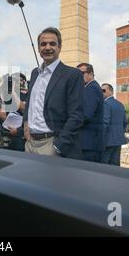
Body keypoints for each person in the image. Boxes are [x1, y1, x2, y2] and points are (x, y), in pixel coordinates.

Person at [23, 27, 84, 159]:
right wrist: (26, 124)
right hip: (30, 144)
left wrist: (58, 146)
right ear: (38, 49)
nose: (47, 47)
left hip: (51, 145)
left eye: (52, 43)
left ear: (60, 47)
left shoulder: (72, 75)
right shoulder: (35, 73)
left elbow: (77, 115)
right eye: (43, 44)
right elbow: (30, 103)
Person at [76, 63, 104, 162]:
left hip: (88, 143)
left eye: (81, 73)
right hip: (88, 142)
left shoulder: (92, 88)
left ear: (91, 73)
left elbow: (86, 114)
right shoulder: (88, 88)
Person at [101, 83, 127, 166]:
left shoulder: (106, 104)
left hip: (107, 141)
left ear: (111, 91)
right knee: (115, 165)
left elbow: (105, 123)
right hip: (118, 140)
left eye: (103, 90)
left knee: (104, 167)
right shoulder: (120, 104)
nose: (101, 92)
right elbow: (124, 123)